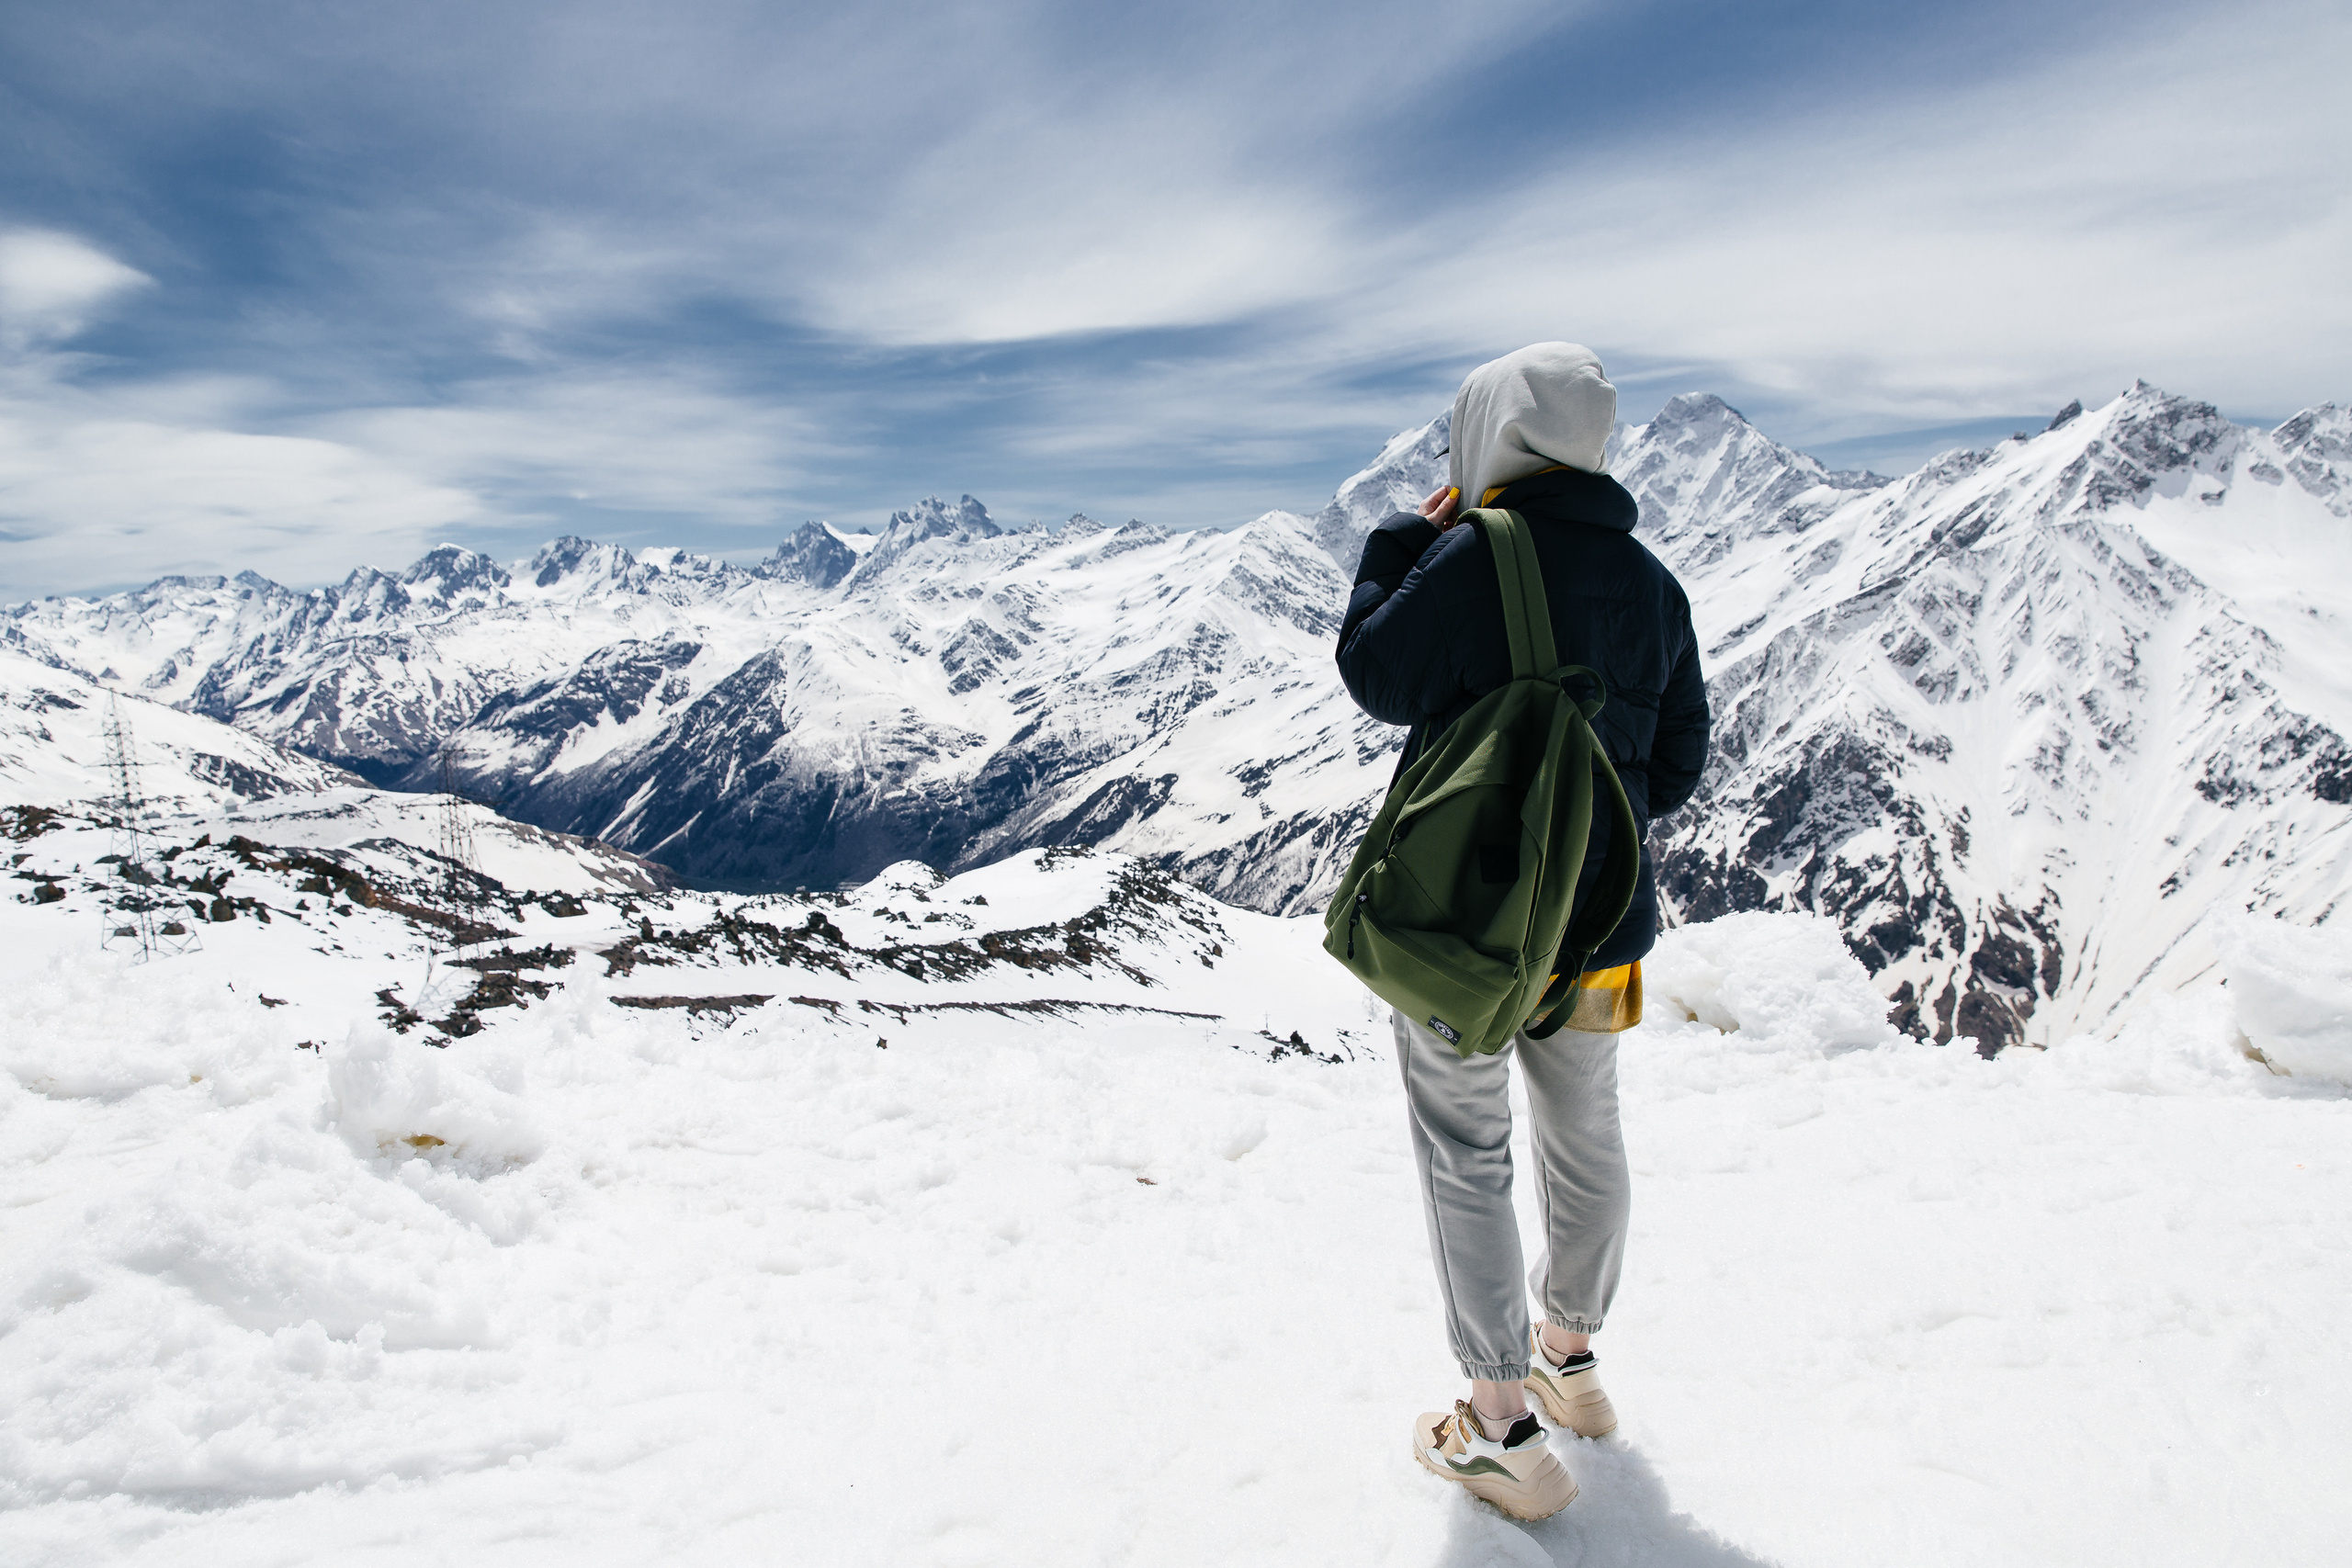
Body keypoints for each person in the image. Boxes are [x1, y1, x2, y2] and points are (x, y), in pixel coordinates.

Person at [1334, 342, 1711, 1520]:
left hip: (1471, 922)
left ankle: (1498, 1424)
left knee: (1467, 1147)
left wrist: (1399, 541)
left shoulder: (1471, 552)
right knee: (1584, 1135)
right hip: (1600, 923)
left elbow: (1373, 672)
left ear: (1490, 429)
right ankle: (1570, 1360)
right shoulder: (1654, 584)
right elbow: (1677, 768)